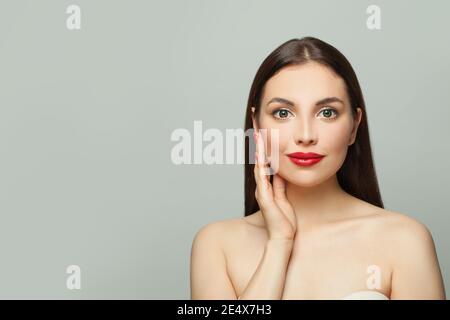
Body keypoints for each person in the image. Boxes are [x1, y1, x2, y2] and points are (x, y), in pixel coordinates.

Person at [190, 37, 446, 300]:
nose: (305, 135)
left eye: (326, 112)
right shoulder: (216, 245)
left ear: (354, 126)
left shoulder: (405, 240)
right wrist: (279, 244)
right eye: (282, 113)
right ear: (256, 125)